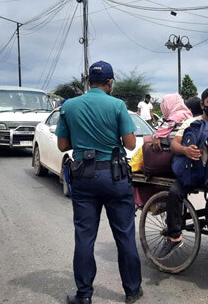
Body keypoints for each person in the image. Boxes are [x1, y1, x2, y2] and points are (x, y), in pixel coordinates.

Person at [56, 61, 143, 304]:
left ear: (88, 81)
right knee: (125, 235)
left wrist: (84, 142)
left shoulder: (70, 106)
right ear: (110, 82)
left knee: (84, 236)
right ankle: (132, 291)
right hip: (114, 177)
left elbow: (62, 146)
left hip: (84, 176)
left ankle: (84, 295)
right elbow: (130, 144)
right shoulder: (117, 105)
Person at [157, 88, 208, 259]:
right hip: (192, 169)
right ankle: (174, 236)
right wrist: (185, 150)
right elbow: (174, 144)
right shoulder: (191, 122)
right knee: (174, 192)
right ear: (202, 104)